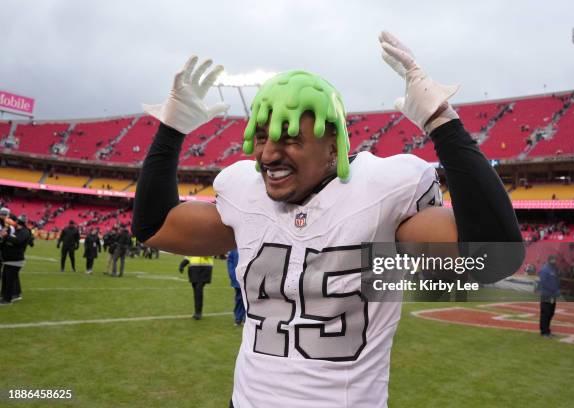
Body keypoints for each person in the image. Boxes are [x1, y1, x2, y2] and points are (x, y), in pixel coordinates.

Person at [132, 32, 523, 408]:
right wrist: (171, 130)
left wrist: (442, 121)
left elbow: (495, 255)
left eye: (290, 139)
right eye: (264, 137)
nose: (268, 154)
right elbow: (154, 225)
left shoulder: (381, 194)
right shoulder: (246, 196)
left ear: (333, 145)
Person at [0, 215, 33, 305]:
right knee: (5, 278)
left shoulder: (24, 232)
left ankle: (7, 300)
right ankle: (3, 296)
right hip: (9, 260)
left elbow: (18, 241)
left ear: (18, 222)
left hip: (15, 260)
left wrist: (6, 236)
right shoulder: (17, 231)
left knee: (9, 280)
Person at [178, 255, 214, 320]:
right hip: (193, 270)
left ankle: (198, 312)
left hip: (204, 269)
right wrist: (182, 264)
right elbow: (188, 256)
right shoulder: (192, 246)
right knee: (196, 291)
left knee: (198, 290)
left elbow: (212, 253)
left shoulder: (208, 245)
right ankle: (197, 312)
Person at [538, 254, 560, 337]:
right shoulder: (545, 269)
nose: (555, 261)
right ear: (550, 260)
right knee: (545, 313)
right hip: (546, 295)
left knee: (551, 312)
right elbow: (543, 282)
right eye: (554, 260)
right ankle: (544, 332)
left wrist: (558, 289)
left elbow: (556, 281)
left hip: (552, 295)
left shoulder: (553, 269)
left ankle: (547, 330)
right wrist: (553, 290)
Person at [227, 249, 244, 326]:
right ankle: (238, 318)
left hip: (249, 278)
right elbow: (230, 261)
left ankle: (246, 318)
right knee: (239, 298)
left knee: (249, 299)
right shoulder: (234, 248)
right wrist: (233, 275)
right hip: (237, 279)